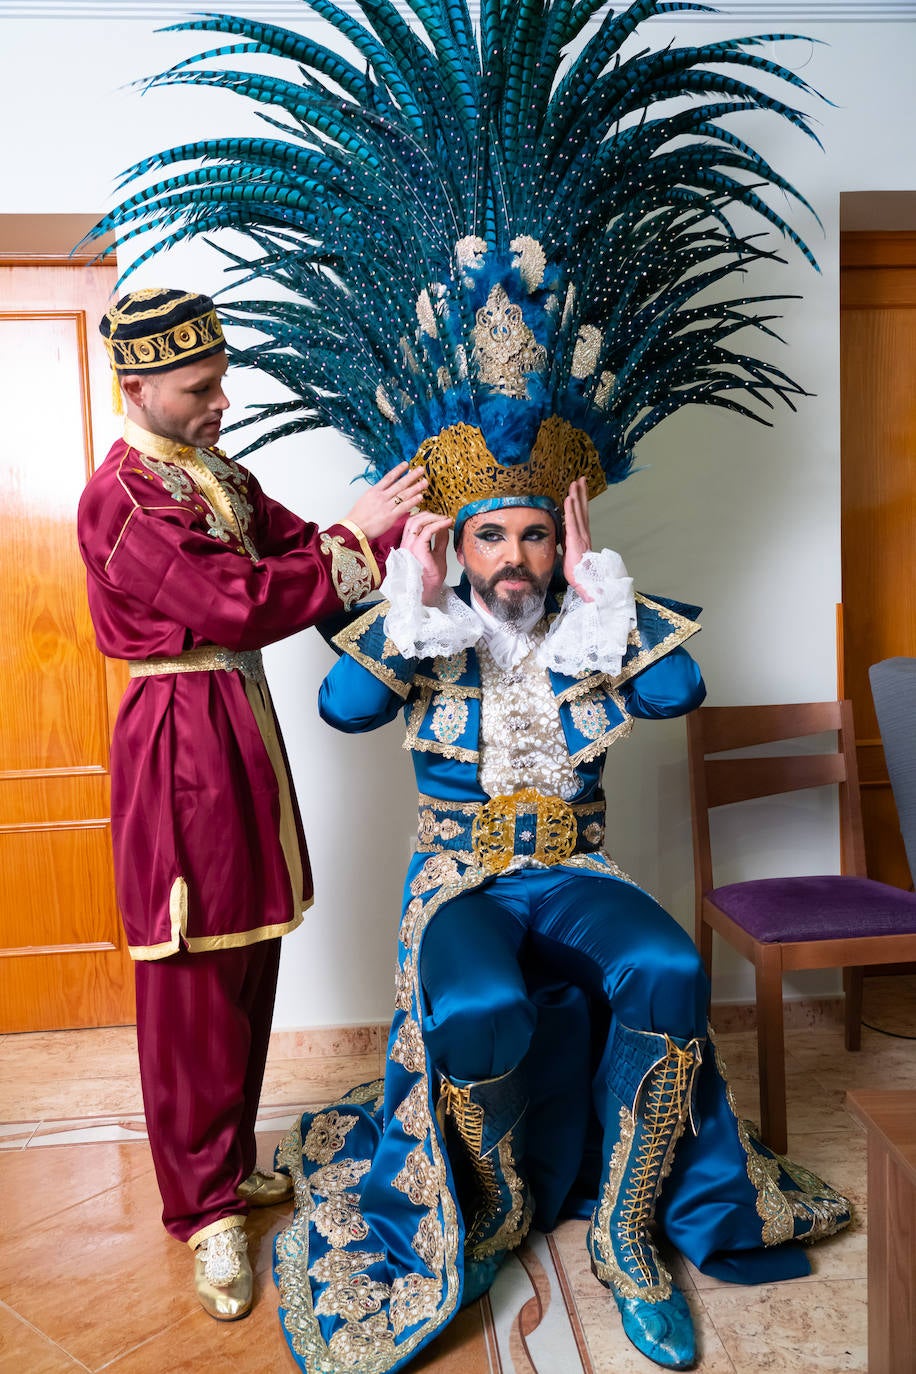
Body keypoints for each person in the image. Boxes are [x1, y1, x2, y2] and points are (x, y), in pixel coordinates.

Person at [270, 476, 850, 1373]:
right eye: (491, 536)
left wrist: (598, 584)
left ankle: (626, 1232)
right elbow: (346, 709)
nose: (514, 557)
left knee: (667, 964)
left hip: (575, 870)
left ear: (560, 544)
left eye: (536, 536)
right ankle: (495, 1215)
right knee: (475, 1006)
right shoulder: (429, 625)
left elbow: (678, 690)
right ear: (459, 547)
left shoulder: (589, 621)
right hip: (461, 879)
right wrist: (409, 597)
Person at [76, 286, 427, 1321]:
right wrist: (356, 541)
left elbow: (297, 547)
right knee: (189, 976)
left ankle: (226, 1170)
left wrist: (404, 534)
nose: (221, 402)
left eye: (221, 380)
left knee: (246, 957)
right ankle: (205, 1215)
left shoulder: (215, 475)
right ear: (134, 387)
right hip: (179, 734)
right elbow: (236, 601)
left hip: (239, 724)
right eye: (199, 388)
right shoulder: (123, 497)